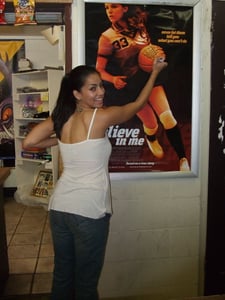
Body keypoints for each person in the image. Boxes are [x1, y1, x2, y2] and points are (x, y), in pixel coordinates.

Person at [22, 59, 167, 300]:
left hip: (59, 208)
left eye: (101, 86)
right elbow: (138, 104)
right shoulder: (99, 117)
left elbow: (29, 142)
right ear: (77, 94)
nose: (101, 92)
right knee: (86, 284)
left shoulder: (60, 117)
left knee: (63, 276)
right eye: (93, 88)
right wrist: (154, 73)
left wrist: (59, 139)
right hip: (88, 211)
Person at [96, 3, 190, 171]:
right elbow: (99, 70)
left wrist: (156, 54)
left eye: (114, 6)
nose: (109, 11)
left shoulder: (140, 23)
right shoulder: (107, 37)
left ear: (125, 8)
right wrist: (113, 79)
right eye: (106, 7)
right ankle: (151, 137)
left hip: (149, 78)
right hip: (130, 85)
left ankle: (183, 159)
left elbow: (149, 49)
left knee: (167, 117)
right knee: (151, 123)